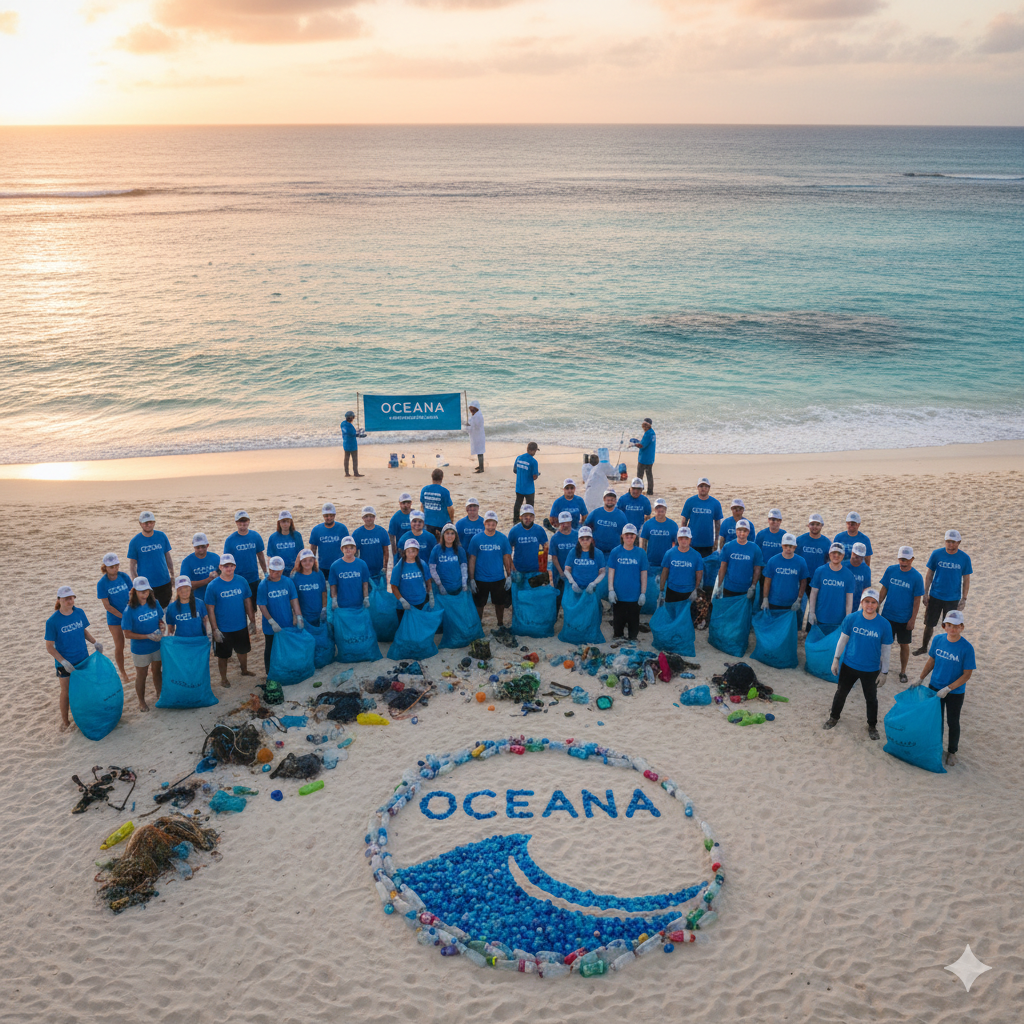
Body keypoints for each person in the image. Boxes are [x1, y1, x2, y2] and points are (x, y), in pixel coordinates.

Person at [823, 588, 892, 739]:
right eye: (867, 601)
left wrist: (884, 672)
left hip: (871, 669)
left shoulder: (884, 624)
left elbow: (886, 650)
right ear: (861, 602)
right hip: (849, 665)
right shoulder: (852, 618)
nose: (870, 605)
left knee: (871, 698)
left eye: (873, 602)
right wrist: (836, 659)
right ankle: (834, 717)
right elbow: (843, 640)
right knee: (841, 693)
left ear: (877, 604)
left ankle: (872, 725)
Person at [917, 609, 975, 766]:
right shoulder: (938, 640)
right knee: (936, 720)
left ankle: (952, 751)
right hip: (935, 686)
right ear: (944, 626)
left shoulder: (967, 648)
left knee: (953, 722)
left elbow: (966, 675)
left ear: (962, 627)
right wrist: (921, 678)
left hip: (954, 692)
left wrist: (949, 688)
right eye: (949, 625)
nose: (952, 629)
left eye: (956, 626)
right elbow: (931, 661)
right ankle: (936, 746)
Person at [45, 585, 102, 731]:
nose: (70, 601)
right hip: (65, 663)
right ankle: (65, 721)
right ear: (59, 600)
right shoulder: (53, 621)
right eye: (66, 599)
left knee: (85, 688)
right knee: (66, 691)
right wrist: (63, 661)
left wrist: (95, 642)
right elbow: (50, 647)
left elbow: (83, 631)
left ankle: (86, 714)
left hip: (83, 658)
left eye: (71, 598)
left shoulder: (79, 613)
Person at [916, 529, 973, 656]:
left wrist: (964, 598)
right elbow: (929, 574)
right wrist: (925, 593)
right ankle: (924, 647)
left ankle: (946, 649)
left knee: (950, 625)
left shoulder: (964, 558)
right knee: (929, 624)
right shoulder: (936, 554)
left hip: (953, 598)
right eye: (948, 541)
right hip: (935, 595)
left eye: (953, 542)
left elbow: (966, 579)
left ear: (959, 542)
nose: (950, 545)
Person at [204, 552, 256, 687]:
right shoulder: (213, 586)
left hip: (240, 625)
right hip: (223, 628)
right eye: (226, 566)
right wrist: (215, 629)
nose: (229, 568)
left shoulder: (241, 581)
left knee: (243, 651)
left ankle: (244, 670)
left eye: (231, 566)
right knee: (223, 656)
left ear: (235, 566)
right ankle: (223, 678)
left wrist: (252, 620)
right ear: (220, 567)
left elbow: (247, 601)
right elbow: (210, 609)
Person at [879, 545, 925, 684]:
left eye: (906, 559)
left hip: (904, 618)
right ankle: (881, 668)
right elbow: (884, 589)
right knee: (884, 644)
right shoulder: (891, 570)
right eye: (901, 559)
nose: (903, 562)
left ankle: (903, 671)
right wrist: (877, 605)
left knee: (904, 645)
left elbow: (917, 600)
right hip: (888, 615)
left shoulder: (917, 577)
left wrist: (912, 619)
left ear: (912, 559)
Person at [120, 577, 165, 712]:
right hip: (140, 649)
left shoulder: (155, 603)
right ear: (134, 592)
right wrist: (147, 636)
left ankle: (160, 694)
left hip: (156, 645)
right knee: (142, 675)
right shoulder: (129, 610)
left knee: (157, 671)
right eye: (141, 591)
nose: (144, 594)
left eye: (146, 591)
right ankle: (141, 701)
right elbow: (127, 634)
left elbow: (160, 620)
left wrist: (161, 627)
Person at [467, 511, 513, 626]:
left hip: (498, 578)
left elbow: (506, 557)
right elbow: (472, 559)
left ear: (496, 523)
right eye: (488, 522)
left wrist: (509, 576)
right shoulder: (476, 539)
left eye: (493, 522)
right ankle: (478, 625)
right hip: (480, 578)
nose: (490, 524)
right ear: (484, 523)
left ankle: (500, 623)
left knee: (500, 603)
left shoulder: (502, 538)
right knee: (479, 604)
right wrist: (471, 579)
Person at [258, 556, 302, 674]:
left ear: (282, 570)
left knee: (287, 646)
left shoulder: (288, 582)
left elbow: (294, 600)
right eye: (271, 570)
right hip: (271, 626)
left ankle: (287, 667)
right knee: (270, 648)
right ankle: (269, 672)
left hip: (286, 622)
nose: (273, 573)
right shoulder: (264, 585)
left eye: (276, 571)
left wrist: (298, 616)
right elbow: (262, 605)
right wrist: (271, 621)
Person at [607, 524, 649, 642]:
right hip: (619, 594)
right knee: (618, 619)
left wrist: (643, 593)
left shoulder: (641, 553)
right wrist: (611, 589)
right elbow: (611, 572)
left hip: (634, 594)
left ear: (635, 537)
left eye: (632, 536)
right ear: (622, 536)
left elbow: (643, 573)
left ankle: (632, 638)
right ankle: (618, 636)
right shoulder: (616, 552)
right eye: (627, 535)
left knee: (633, 620)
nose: (629, 538)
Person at [96, 552, 132, 683]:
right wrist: (122, 617)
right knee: (119, 644)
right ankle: (123, 673)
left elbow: (133, 594)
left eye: (116, 565)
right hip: (114, 619)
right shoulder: (102, 583)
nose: (115, 569)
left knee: (136, 638)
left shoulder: (124, 576)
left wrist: (131, 612)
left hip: (129, 613)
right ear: (105, 567)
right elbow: (107, 605)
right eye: (111, 566)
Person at [127, 511, 174, 607]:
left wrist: (172, 575)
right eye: (145, 522)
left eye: (151, 522)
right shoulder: (135, 541)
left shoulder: (161, 536)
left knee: (167, 610)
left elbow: (168, 557)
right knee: (150, 611)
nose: (148, 524)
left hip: (164, 581)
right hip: (146, 585)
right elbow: (132, 566)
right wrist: (136, 584)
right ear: (140, 524)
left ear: (154, 522)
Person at [807, 543, 855, 633]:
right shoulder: (820, 571)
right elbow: (813, 593)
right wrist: (812, 612)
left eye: (839, 553)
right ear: (829, 554)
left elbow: (849, 597)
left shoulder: (848, 575)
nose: (836, 555)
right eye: (833, 553)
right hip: (821, 617)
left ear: (843, 555)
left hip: (838, 620)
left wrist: (848, 616)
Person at [224, 510, 267, 608]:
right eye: (240, 521)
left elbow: (260, 556)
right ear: (236, 522)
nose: (242, 523)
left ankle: (253, 623)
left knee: (253, 607)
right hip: (237, 579)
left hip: (253, 577)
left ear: (249, 521)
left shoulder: (255, 536)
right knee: (240, 606)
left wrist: (265, 572)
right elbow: (227, 561)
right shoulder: (230, 540)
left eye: (245, 521)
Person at [713, 519, 763, 599]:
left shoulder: (755, 549)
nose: (742, 533)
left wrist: (753, 586)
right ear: (736, 531)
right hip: (729, 588)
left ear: (748, 532)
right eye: (739, 530)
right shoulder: (728, 547)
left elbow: (757, 569)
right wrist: (719, 587)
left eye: (745, 530)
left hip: (746, 590)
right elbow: (723, 567)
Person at [760, 534, 808, 612]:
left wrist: (799, 599)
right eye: (786, 546)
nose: (788, 548)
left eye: (790, 546)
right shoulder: (773, 560)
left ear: (795, 547)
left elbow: (803, 582)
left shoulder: (801, 562)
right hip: (774, 601)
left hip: (791, 603)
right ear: (782, 545)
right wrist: (765, 599)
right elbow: (767, 581)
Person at [390, 538, 434, 619]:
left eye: (413, 551)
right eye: (409, 551)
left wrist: (431, 595)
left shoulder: (422, 564)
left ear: (417, 551)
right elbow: (393, 586)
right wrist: (402, 601)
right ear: (405, 552)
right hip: (405, 606)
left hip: (420, 602)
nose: (411, 554)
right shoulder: (398, 568)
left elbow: (428, 581)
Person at [658, 527, 703, 604]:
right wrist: (661, 591)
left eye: (686, 538)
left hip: (689, 591)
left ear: (690, 539)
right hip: (672, 590)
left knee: (686, 615)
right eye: (681, 538)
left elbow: (699, 574)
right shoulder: (669, 553)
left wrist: (695, 590)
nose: (683, 541)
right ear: (677, 539)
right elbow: (665, 572)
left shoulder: (697, 556)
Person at [680, 477, 723, 557]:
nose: (703, 488)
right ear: (697, 487)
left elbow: (717, 524)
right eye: (701, 486)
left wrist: (716, 540)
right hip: (691, 542)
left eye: (706, 486)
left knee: (706, 566)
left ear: (709, 488)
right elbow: (684, 522)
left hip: (708, 542)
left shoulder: (715, 503)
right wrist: (683, 538)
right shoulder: (690, 501)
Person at [562, 525, 607, 598]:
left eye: (587, 538)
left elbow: (602, 572)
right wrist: (572, 582)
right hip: (577, 587)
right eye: (582, 539)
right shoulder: (573, 552)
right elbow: (567, 570)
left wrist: (594, 583)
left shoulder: (598, 553)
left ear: (591, 539)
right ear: (578, 539)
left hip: (592, 589)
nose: (585, 541)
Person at [328, 536, 371, 610]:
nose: (349, 550)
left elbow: (365, 583)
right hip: (342, 604)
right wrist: (334, 600)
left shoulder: (362, 564)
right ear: (342, 549)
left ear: (355, 549)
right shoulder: (335, 566)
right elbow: (333, 585)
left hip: (359, 603)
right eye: (346, 548)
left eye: (351, 547)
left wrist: (366, 598)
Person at [508, 505, 549, 579]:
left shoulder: (539, 530)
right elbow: (507, 551)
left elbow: (546, 547)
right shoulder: (514, 531)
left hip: (535, 569)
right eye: (525, 516)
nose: (528, 518)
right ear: (520, 517)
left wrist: (543, 566)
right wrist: (512, 566)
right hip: (518, 569)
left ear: (534, 517)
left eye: (531, 516)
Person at [351, 506, 390, 582]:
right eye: (366, 516)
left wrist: (385, 567)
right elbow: (353, 553)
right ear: (362, 518)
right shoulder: (357, 533)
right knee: (365, 591)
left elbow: (386, 551)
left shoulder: (382, 532)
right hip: (364, 569)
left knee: (381, 591)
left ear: (374, 517)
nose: (369, 519)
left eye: (371, 516)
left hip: (379, 569)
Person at [548, 512, 579, 607]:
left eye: (567, 522)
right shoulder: (555, 538)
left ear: (571, 521)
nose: (565, 525)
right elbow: (554, 557)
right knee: (559, 595)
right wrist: (561, 572)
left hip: (575, 571)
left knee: (575, 594)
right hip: (559, 571)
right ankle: (555, 615)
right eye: (562, 523)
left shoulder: (577, 535)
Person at [310, 503, 349, 577]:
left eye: (331, 515)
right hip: (323, 566)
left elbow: (347, 547)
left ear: (334, 515)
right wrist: (313, 564)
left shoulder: (342, 528)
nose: (329, 518)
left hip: (340, 564)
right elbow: (313, 548)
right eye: (326, 516)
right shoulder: (316, 530)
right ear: (323, 516)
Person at [585, 490, 629, 556]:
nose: (610, 501)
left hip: (614, 552)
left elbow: (626, 533)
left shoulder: (621, 515)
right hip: (596, 550)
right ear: (604, 499)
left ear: (615, 501)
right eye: (608, 499)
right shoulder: (596, 513)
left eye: (612, 499)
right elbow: (585, 527)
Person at [429, 524, 468, 595]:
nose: (450, 536)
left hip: (458, 587)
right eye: (447, 533)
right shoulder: (436, 549)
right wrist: (439, 584)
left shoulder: (460, 550)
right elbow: (432, 568)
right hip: (442, 589)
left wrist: (464, 583)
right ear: (443, 535)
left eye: (452, 533)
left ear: (456, 535)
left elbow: (464, 567)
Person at [641, 499, 678, 574]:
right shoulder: (648, 524)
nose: (660, 510)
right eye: (657, 508)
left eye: (662, 508)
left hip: (667, 562)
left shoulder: (673, 525)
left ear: (665, 509)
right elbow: (643, 541)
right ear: (654, 509)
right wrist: (643, 558)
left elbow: (677, 544)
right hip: (651, 562)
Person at [180, 533, 220, 599]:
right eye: (198, 547)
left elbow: (224, 573)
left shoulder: (216, 558)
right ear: (194, 546)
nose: (200, 549)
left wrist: (218, 574)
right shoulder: (187, 562)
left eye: (203, 546)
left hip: (215, 598)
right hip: (196, 599)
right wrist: (207, 580)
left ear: (207, 545)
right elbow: (185, 585)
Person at [294, 550, 329, 625]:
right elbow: (293, 598)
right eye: (304, 561)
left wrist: (324, 608)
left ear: (314, 561)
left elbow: (324, 592)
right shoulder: (295, 577)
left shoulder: (319, 574)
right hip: (304, 616)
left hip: (318, 614)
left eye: (310, 560)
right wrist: (297, 615)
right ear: (300, 562)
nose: (307, 563)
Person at [267, 510, 304, 576]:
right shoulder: (273, 537)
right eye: (283, 521)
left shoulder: (297, 536)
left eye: (287, 521)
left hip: (294, 570)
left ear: (290, 522)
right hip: (279, 571)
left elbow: (301, 553)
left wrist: (296, 568)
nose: (285, 524)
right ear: (279, 523)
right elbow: (269, 556)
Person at [420, 469, 454, 539]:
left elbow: (422, 507)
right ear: (442, 478)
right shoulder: (444, 491)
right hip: (442, 523)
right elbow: (450, 509)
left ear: (432, 477)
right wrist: (451, 521)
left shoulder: (424, 489)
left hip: (428, 522)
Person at [512, 442, 541, 524]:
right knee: (530, 506)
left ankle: (516, 520)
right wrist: (538, 474)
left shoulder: (519, 458)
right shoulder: (533, 461)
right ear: (534, 450)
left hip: (519, 486)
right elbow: (534, 477)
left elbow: (515, 470)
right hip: (529, 488)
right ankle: (529, 521)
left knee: (518, 503)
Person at [630, 418, 656, 494]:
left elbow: (642, 445)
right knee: (649, 474)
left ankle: (638, 489)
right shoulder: (652, 433)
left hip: (644, 458)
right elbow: (645, 442)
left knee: (639, 475)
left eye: (645, 425)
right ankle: (650, 490)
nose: (644, 426)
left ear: (648, 425)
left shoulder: (648, 434)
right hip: (650, 458)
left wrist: (634, 444)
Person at [843, 542, 871, 609]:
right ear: (852, 552)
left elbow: (865, 588)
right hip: (841, 601)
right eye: (855, 555)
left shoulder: (866, 569)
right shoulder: (843, 566)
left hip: (856, 603)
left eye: (860, 557)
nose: (857, 559)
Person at [387, 493, 415, 559]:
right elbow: (391, 534)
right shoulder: (395, 518)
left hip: (415, 546)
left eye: (408, 503)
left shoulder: (416, 514)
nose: (406, 505)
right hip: (401, 548)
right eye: (403, 503)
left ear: (411, 503)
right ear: (399, 503)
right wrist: (394, 549)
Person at [341, 410, 362, 477]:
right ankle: (356, 473)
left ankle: (346, 473)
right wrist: (360, 435)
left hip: (345, 443)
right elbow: (353, 434)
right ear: (351, 418)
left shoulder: (343, 424)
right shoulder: (350, 426)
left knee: (346, 459)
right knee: (354, 459)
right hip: (352, 444)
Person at [468, 399, 485, 473]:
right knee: (479, 451)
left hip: (479, 436)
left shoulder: (478, 416)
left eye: (472, 408)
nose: (471, 410)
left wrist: (469, 425)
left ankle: (481, 469)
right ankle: (480, 466)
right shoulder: (476, 415)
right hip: (477, 436)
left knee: (480, 452)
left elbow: (476, 426)